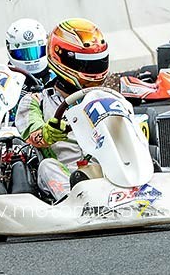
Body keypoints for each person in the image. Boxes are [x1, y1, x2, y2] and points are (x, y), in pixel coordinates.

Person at [19, 19, 110, 201]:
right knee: (47, 166)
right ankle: (76, 200)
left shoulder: (105, 98)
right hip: (67, 173)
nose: (94, 71)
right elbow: (30, 133)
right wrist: (48, 133)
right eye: (86, 65)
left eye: (97, 63)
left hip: (108, 167)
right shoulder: (36, 100)